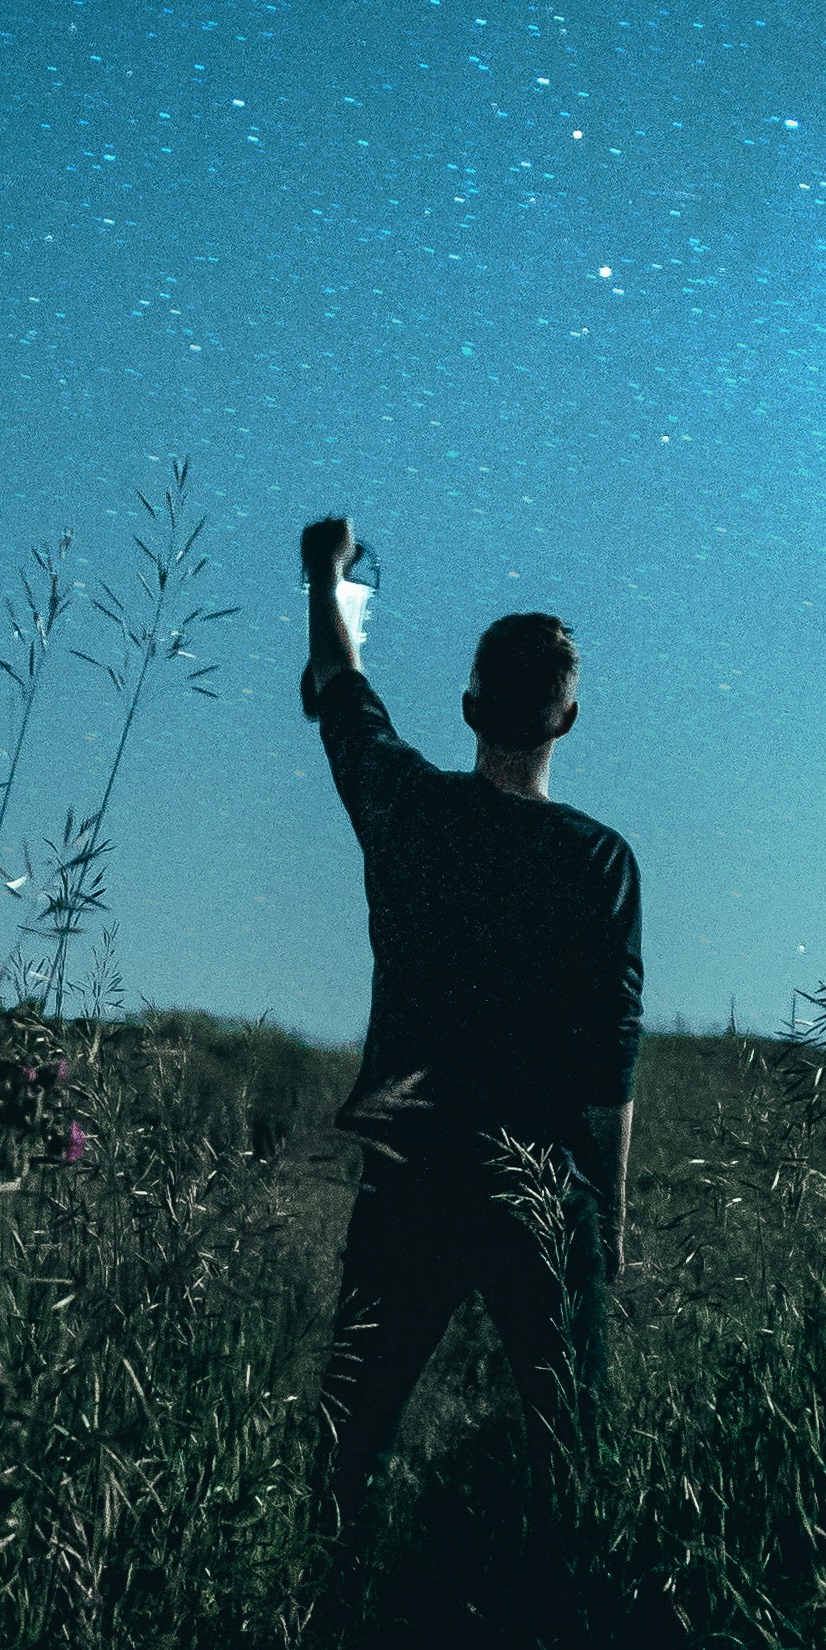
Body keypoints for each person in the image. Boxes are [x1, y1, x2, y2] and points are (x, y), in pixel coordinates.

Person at [297, 514, 641, 1559]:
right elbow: (609, 1057)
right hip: (539, 1181)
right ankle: (558, 1648)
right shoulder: (598, 861)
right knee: (565, 1444)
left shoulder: (404, 809)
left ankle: (317, 1625)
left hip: (410, 1173)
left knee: (350, 1436)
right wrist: (608, 1215)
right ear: (567, 720)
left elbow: (339, 688)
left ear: (467, 708)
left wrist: (326, 577)